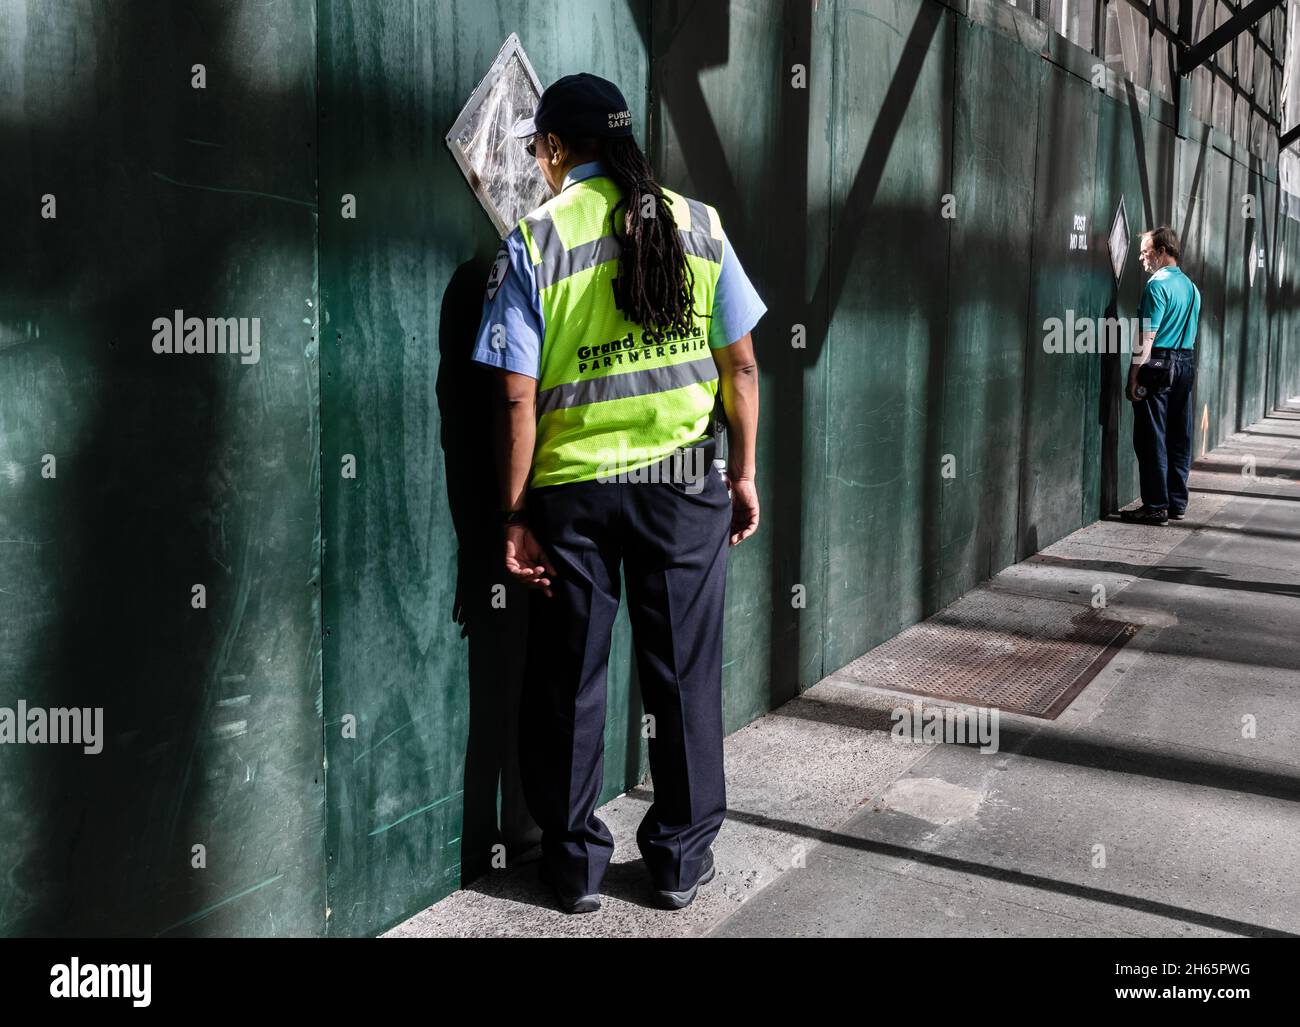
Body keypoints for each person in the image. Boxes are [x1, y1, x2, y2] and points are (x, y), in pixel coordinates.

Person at [469, 73, 765, 914]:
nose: (538, 163)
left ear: (559, 149)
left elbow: (517, 398)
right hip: (682, 487)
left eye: (539, 149)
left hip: (574, 494)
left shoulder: (534, 241)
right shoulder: (699, 225)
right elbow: (740, 364)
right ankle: (677, 860)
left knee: (570, 676)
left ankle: (573, 869)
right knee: (683, 675)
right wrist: (741, 473)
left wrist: (515, 513)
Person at [1121, 226, 1200, 526]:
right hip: (1186, 364)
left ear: (1163, 252)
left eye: (1146, 252)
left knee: (1151, 436)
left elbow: (1146, 337)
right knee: (1180, 435)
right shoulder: (1192, 288)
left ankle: (1155, 506)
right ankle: (1177, 503)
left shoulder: (1156, 286)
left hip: (1159, 364)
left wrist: (1133, 376)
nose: (1142, 258)